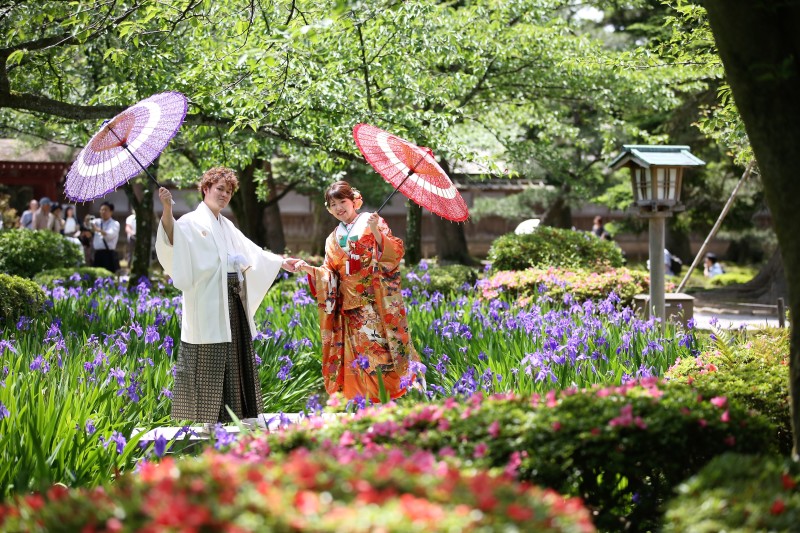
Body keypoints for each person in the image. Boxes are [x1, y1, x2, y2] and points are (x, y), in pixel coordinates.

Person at [156, 167, 297, 426]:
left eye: (229, 191)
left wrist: (281, 261)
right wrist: (167, 209)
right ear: (206, 189)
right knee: (208, 356)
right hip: (207, 300)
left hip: (232, 299)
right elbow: (171, 242)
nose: (224, 195)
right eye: (219, 189)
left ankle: (241, 414)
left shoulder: (226, 225)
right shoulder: (189, 222)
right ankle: (207, 421)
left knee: (236, 354)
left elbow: (251, 251)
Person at [288, 181, 421, 402]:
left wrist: (377, 230)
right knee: (353, 357)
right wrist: (309, 269)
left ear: (353, 201)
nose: (339, 207)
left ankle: (384, 398)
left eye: (343, 201)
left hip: (373, 303)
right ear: (328, 208)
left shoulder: (371, 221)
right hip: (347, 308)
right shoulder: (331, 239)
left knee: (379, 352)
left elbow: (393, 254)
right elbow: (329, 273)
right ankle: (359, 401)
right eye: (333, 204)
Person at [91, 202, 121, 273]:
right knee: (97, 276)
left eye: (105, 210)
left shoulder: (114, 223)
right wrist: (87, 221)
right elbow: (88, 225)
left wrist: (98, 230)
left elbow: (110, 235)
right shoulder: (97, 222)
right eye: (101, 210)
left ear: (111, 212)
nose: (103, 212)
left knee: (109, 276)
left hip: (108, 254)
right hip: (97, 254)